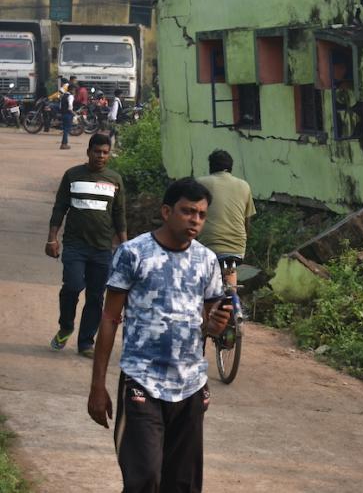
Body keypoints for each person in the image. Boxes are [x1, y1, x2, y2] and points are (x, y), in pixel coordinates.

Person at [87, 178, 229, 492]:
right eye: (187, 211)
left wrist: (218, 326)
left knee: (183, 484)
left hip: (190, 386)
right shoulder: (133, 253)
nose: (195, 220)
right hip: (143, 381)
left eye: (202, 215)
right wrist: (97, 385)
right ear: (166, 211)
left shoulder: (206, 261)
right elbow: (110, 318)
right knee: (145, 479)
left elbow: (212, 323)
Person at [46, 134, 126, 356]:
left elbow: (119, 215)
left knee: (96, 296)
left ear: (109, 155)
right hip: (74, 245)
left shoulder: (115, 180)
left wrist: (125, 246)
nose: (100, 156)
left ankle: (86, 343)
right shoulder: (72, 175)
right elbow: (60, 207)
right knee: (72, 286)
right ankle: (66, 326)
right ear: (88, 152)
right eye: (97, 151)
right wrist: (52, 238)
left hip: (102, 249)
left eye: (105, 152)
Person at [196, 150, 256, 285]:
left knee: (207, 283)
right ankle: (232, 298)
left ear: (211, 166)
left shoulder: (200, 184)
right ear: (230, 167)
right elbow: (247, 221)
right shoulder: (244, 185)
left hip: (209, 245)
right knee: (230, 270)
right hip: (237, 247)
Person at [58, 78, 75, 149]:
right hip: (68, 114)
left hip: (63, 114)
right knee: (66, 130)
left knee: (65, 129)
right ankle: (64, 144)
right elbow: (70, 107)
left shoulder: (64, 96)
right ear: (71, 90)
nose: (75, 91)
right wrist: (73, 113)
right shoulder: (70, 96)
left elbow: (60, 106)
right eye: (74, 90)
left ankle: (64, 143)